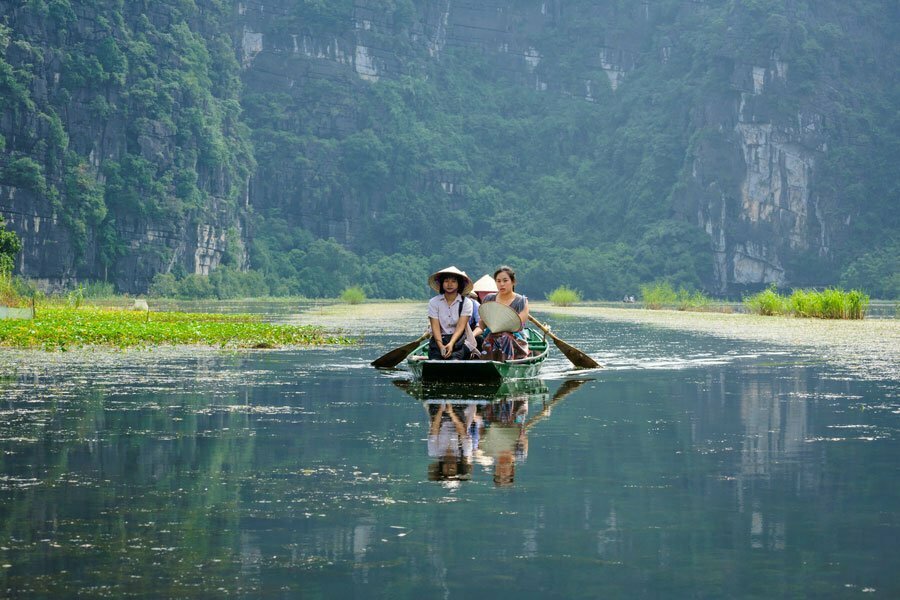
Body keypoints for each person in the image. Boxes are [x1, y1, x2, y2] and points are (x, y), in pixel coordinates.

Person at [472, 266, 530, 360]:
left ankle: (506, 363)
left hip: (515, 338)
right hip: (492, 335)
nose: (501, 284)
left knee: (504, 337)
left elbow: (518, 325)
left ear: (513, 282)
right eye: (498, 281)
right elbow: (482, 323)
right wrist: (472, 335)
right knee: (489, 338)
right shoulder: (489, 298)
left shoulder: (521, 301)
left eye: (505, 280)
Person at [426, 266, 476, 360]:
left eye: (453, 281)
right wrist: (440, 345)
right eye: (446, 281)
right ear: (442, 283)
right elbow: (435, 326)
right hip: (438, 341)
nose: (449, 284)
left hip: (458, 342)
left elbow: (460, 327)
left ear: (459, 284)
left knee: (454, 359)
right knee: (435, 360)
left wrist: (451, 343)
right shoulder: (434, 302)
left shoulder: (466, 302)